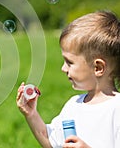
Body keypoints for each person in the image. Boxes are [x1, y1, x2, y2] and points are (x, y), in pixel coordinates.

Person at [16, 10, 120, 148]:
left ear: (98, 68)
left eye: (69, 62)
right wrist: (31, 114)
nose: (63, 68)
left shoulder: (116, 109)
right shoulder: (73, 106)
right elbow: (52, 142)